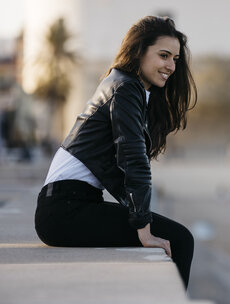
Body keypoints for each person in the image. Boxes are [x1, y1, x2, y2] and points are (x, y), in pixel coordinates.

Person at [34, 16, 197, 288]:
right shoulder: (125, 88)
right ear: (139, 51)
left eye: (175, 58)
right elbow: (132, 158)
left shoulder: (123, 85)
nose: (171, 65)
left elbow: (122, 166)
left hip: (69, 206)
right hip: (65, 211)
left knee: (174, 236)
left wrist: (140, 217)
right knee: (181, 240)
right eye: (164, 55)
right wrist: (143, 228)